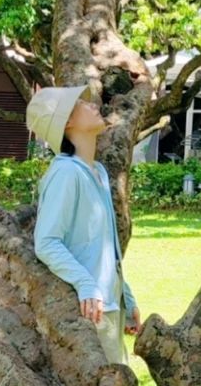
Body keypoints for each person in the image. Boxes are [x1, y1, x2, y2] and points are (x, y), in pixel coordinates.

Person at [25, 83, 142, 371]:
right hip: (91, 310)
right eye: (82, 104)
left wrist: (126, 297)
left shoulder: (98, 172)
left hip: (108, 306)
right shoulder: (66, 173)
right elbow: (48, 242)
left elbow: (102, 247)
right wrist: (86, 284)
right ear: (66, 122)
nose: (94, 105)